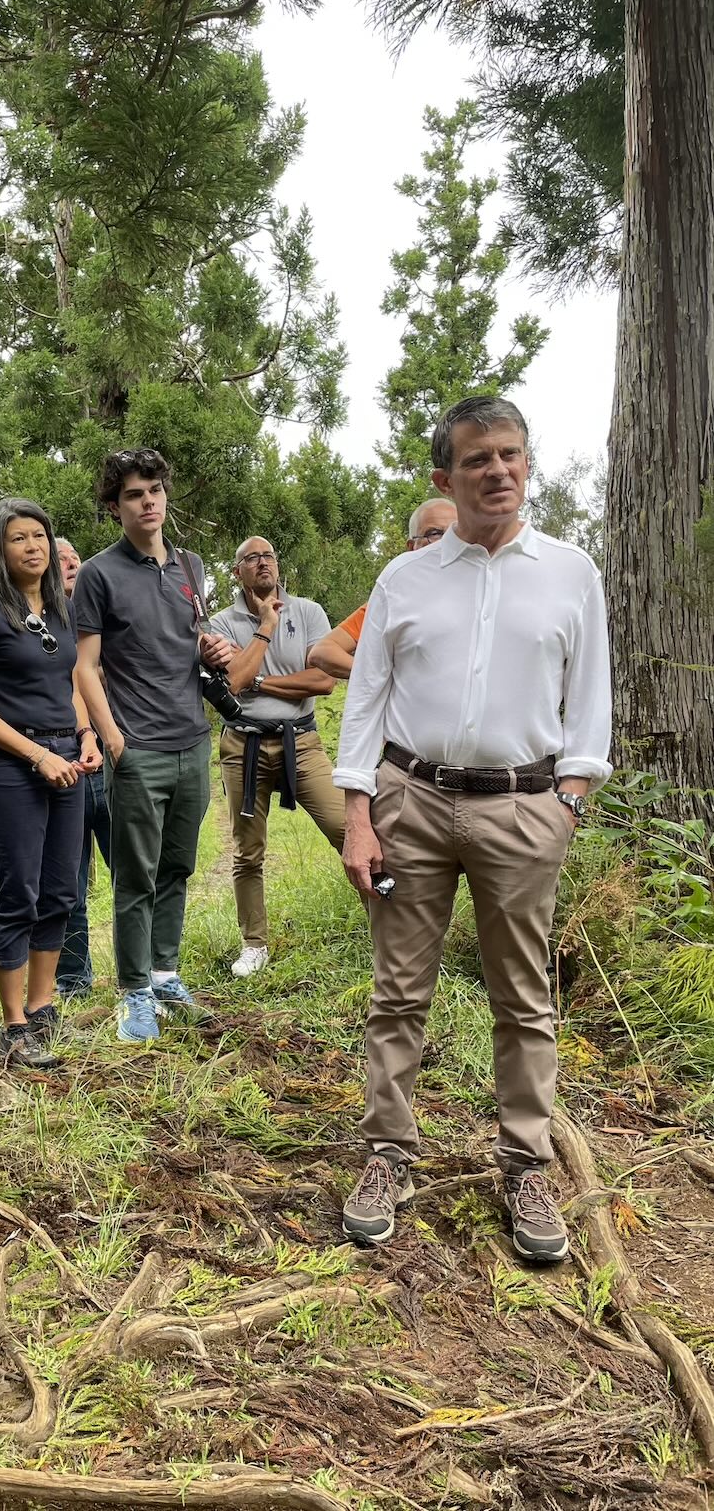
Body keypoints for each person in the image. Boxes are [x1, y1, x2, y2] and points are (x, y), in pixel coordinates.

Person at [334, 396, 611, 1264]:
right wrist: (356, 813)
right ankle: (388, 1154)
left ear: (529, 464)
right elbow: (365, 697)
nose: (498, 471)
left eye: (511, 455)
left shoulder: (572, 573)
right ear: (443, 478)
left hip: (525, 810)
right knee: (398, 992)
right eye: (479, 458)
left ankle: (526, 1166)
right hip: (410, 802)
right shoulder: (404, 580)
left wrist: (566, 798)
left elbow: (590, 696)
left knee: (523, 999)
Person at [72, 448, 233, 1043]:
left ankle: (165, 972)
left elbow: (185, 643)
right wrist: (114, 740)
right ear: (115, 506)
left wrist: (208, 651)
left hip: (193, 741)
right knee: (134, 875)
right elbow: (86, 666)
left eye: (155, 491)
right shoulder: (97, 574)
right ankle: (133, 990)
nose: (148, 502)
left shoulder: (189, 565)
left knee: (177, 867)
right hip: (138, 748)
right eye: (134, 494)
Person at [0, 499, 96, 1069]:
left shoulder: (61, 613)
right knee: (20, 894)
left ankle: (43, 1008)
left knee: (62, 890)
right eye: (19, 538)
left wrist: (84, 732)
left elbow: (73, 682)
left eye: (40, 535)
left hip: (67, 757)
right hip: (11, 763)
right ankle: (14, 1027)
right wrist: (36, 754)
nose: (33, 546)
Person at [210, 538, 344, 978]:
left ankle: (388, 925)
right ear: (237, 572)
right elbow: (232, 681)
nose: (263, 562)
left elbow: (324, 681)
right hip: (242, 745)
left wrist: (262, 683)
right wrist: (266, 625)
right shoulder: (222, 622)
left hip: (300, 741)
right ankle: (254, 944)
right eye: (251, 557)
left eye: (268, 555)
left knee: (346, 829)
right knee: (248, 852)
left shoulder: (307, 612)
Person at [308, 500, 458, 679]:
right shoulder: (394, 600)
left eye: (455, 534)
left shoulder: (485, 594)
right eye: (435, 533)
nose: (445, 542)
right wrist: (391, 677)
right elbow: (324, 652)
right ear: (411, 547)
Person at [54, 537, 112, 999]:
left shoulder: (104, 620)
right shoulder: (38, 628)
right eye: (62, 561)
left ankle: (147, 972)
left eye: (76, 559)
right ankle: (74, 981)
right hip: (64, 760)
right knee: (67, 881)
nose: (72, 565)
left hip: (114, 759)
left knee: (133, 869)